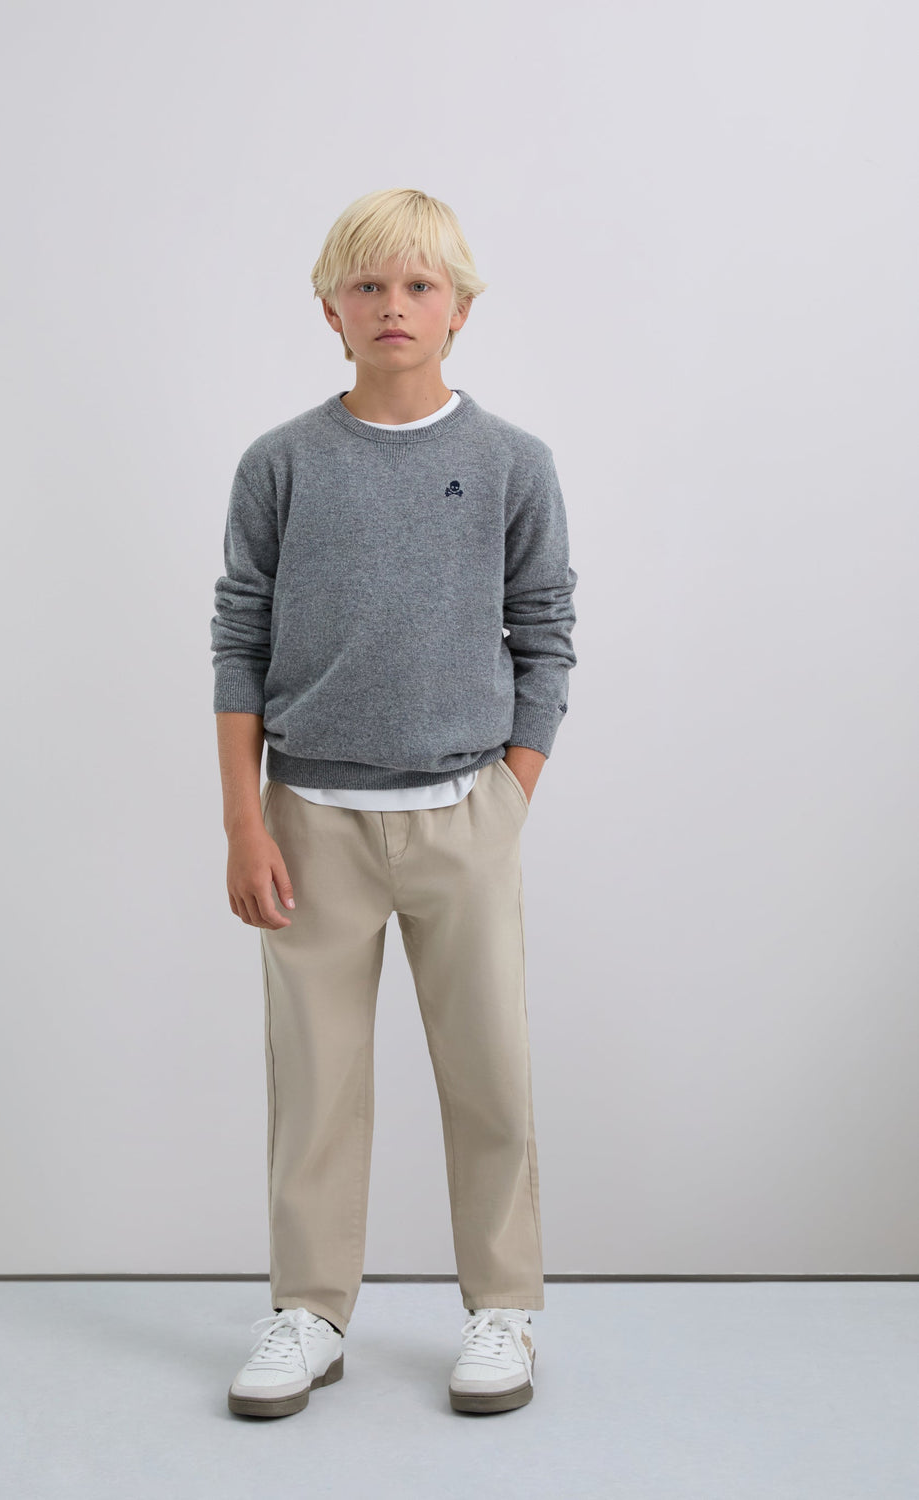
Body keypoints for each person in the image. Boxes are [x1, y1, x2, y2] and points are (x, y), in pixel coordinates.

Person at [212, 187, 578, 1419]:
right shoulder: (281, 464)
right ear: (330, 309)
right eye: (367, 286)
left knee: (490, 1074)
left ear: (459, 308)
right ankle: (309, 1311)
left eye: (419, 285)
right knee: (314, 1082)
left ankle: (503, 1308)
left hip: (465, 813)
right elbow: (238, 639)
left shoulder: (512, 462)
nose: (393, 306)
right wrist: (244, 821)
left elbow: (544, 632)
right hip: (309, 821)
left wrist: (507, 794)